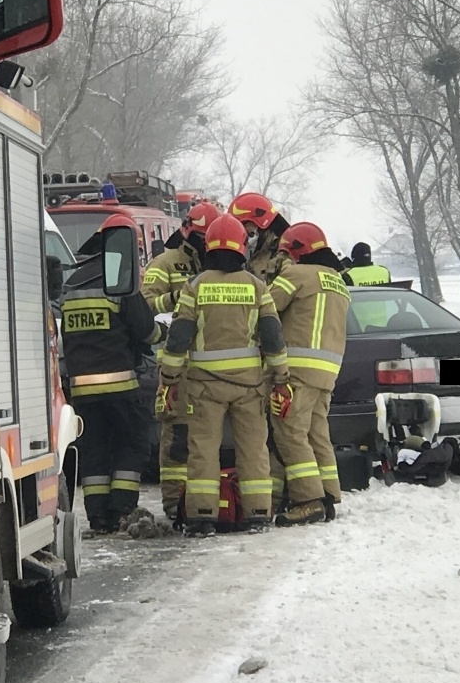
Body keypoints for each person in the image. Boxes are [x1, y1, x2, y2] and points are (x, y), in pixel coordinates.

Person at [156, 214, 289, 537]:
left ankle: (203, 516)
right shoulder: (257, 288)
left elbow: (179, 338)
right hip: (249, 386)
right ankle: (257, 512)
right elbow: (272, 337)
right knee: (254, 449)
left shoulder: (195, 286)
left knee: (203, 449)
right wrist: (281, 377)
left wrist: (169, 380)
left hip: (204, 387)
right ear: (242, 247)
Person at [60, 213, 160, 533]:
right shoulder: (119, 278)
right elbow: (145, 331)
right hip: (121, 385)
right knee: (133, 443)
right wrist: (164, 333)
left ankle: (98, 516)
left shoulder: (72, 283)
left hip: (81, 390)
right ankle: (122, 510)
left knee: (94, 451)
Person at [140, 200, 221, 525]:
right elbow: (145, 308)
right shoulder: (165, 264)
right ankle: (175, 506)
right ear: (188, 232)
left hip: (213, 366)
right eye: (202, 237)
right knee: (177, 438)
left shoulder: (218, 266)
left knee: (209, 436)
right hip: (177, 367)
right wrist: (180, 296)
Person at [267, 222, 351, 525]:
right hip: (327, 372)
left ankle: (308, 501)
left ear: (297, 252)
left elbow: (265, 308)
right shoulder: (337, 281)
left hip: (297, 370)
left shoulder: (296, 275)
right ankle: (328, 495)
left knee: (289, 433)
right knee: (318, 435)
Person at [229, 191, 291, 283]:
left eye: (242, 224)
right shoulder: (256, 244)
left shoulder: (283, 251)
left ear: (255, 221)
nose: (240, 230)